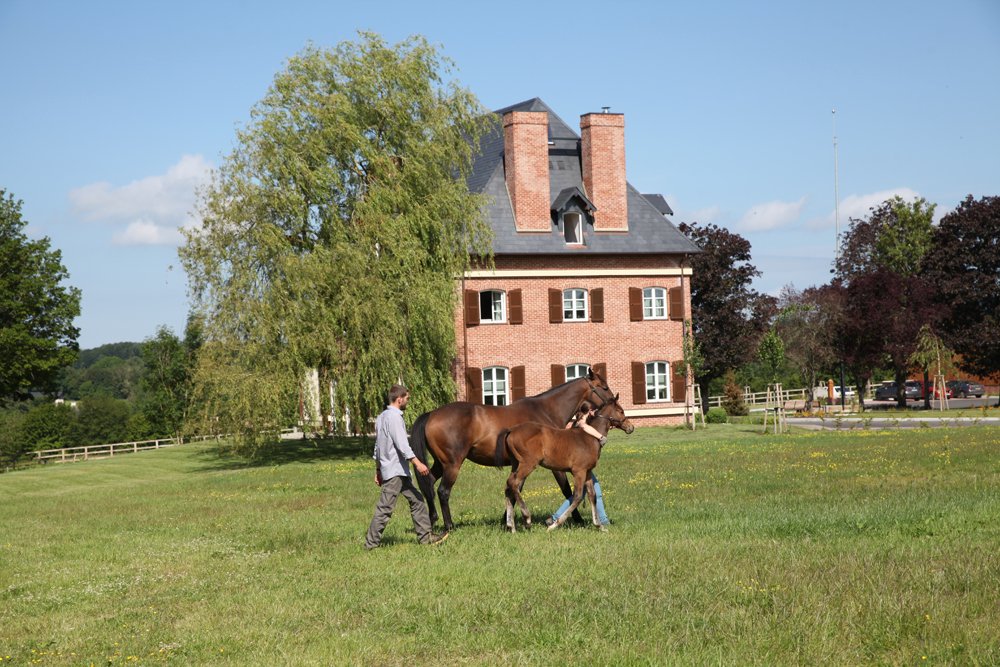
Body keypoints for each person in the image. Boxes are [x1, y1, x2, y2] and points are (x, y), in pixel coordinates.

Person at [365, 384, 448, 549]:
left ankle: (426, 537)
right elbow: (402, 445)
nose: (407, 401)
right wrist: (418, 463)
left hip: (396, 470)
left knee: (417, 500)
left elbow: (378, 447)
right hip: (394, 471)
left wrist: (378, 469)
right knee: (385, 508)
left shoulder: (382, 417)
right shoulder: (395, 418)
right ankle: (370, 544)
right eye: (407, 399)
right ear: (399, 399)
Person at [545, 402, 611, 528]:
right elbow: (585, 428)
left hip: (580, 463)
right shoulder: (581, 423)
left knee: (590, 492)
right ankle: (556, 517)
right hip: (580, 465)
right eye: (594, 410)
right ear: (590, 411)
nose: (596, 412)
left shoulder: (579, 422)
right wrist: (601, 437)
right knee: (584, 494)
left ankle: (602, 519)